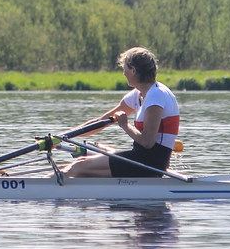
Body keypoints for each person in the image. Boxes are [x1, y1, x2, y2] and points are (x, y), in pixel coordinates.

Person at [63, 47, 179, 178]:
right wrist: (63, 137)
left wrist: (125, 125)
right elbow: (102, 121)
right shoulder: (138, 94)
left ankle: (40, 192)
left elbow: (148, 142)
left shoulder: (156, 95)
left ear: (133, 70)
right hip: (140, 159)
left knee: (77, 166)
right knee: (82, 171)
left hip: (151, 163)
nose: (123, 73)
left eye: (125, 68)